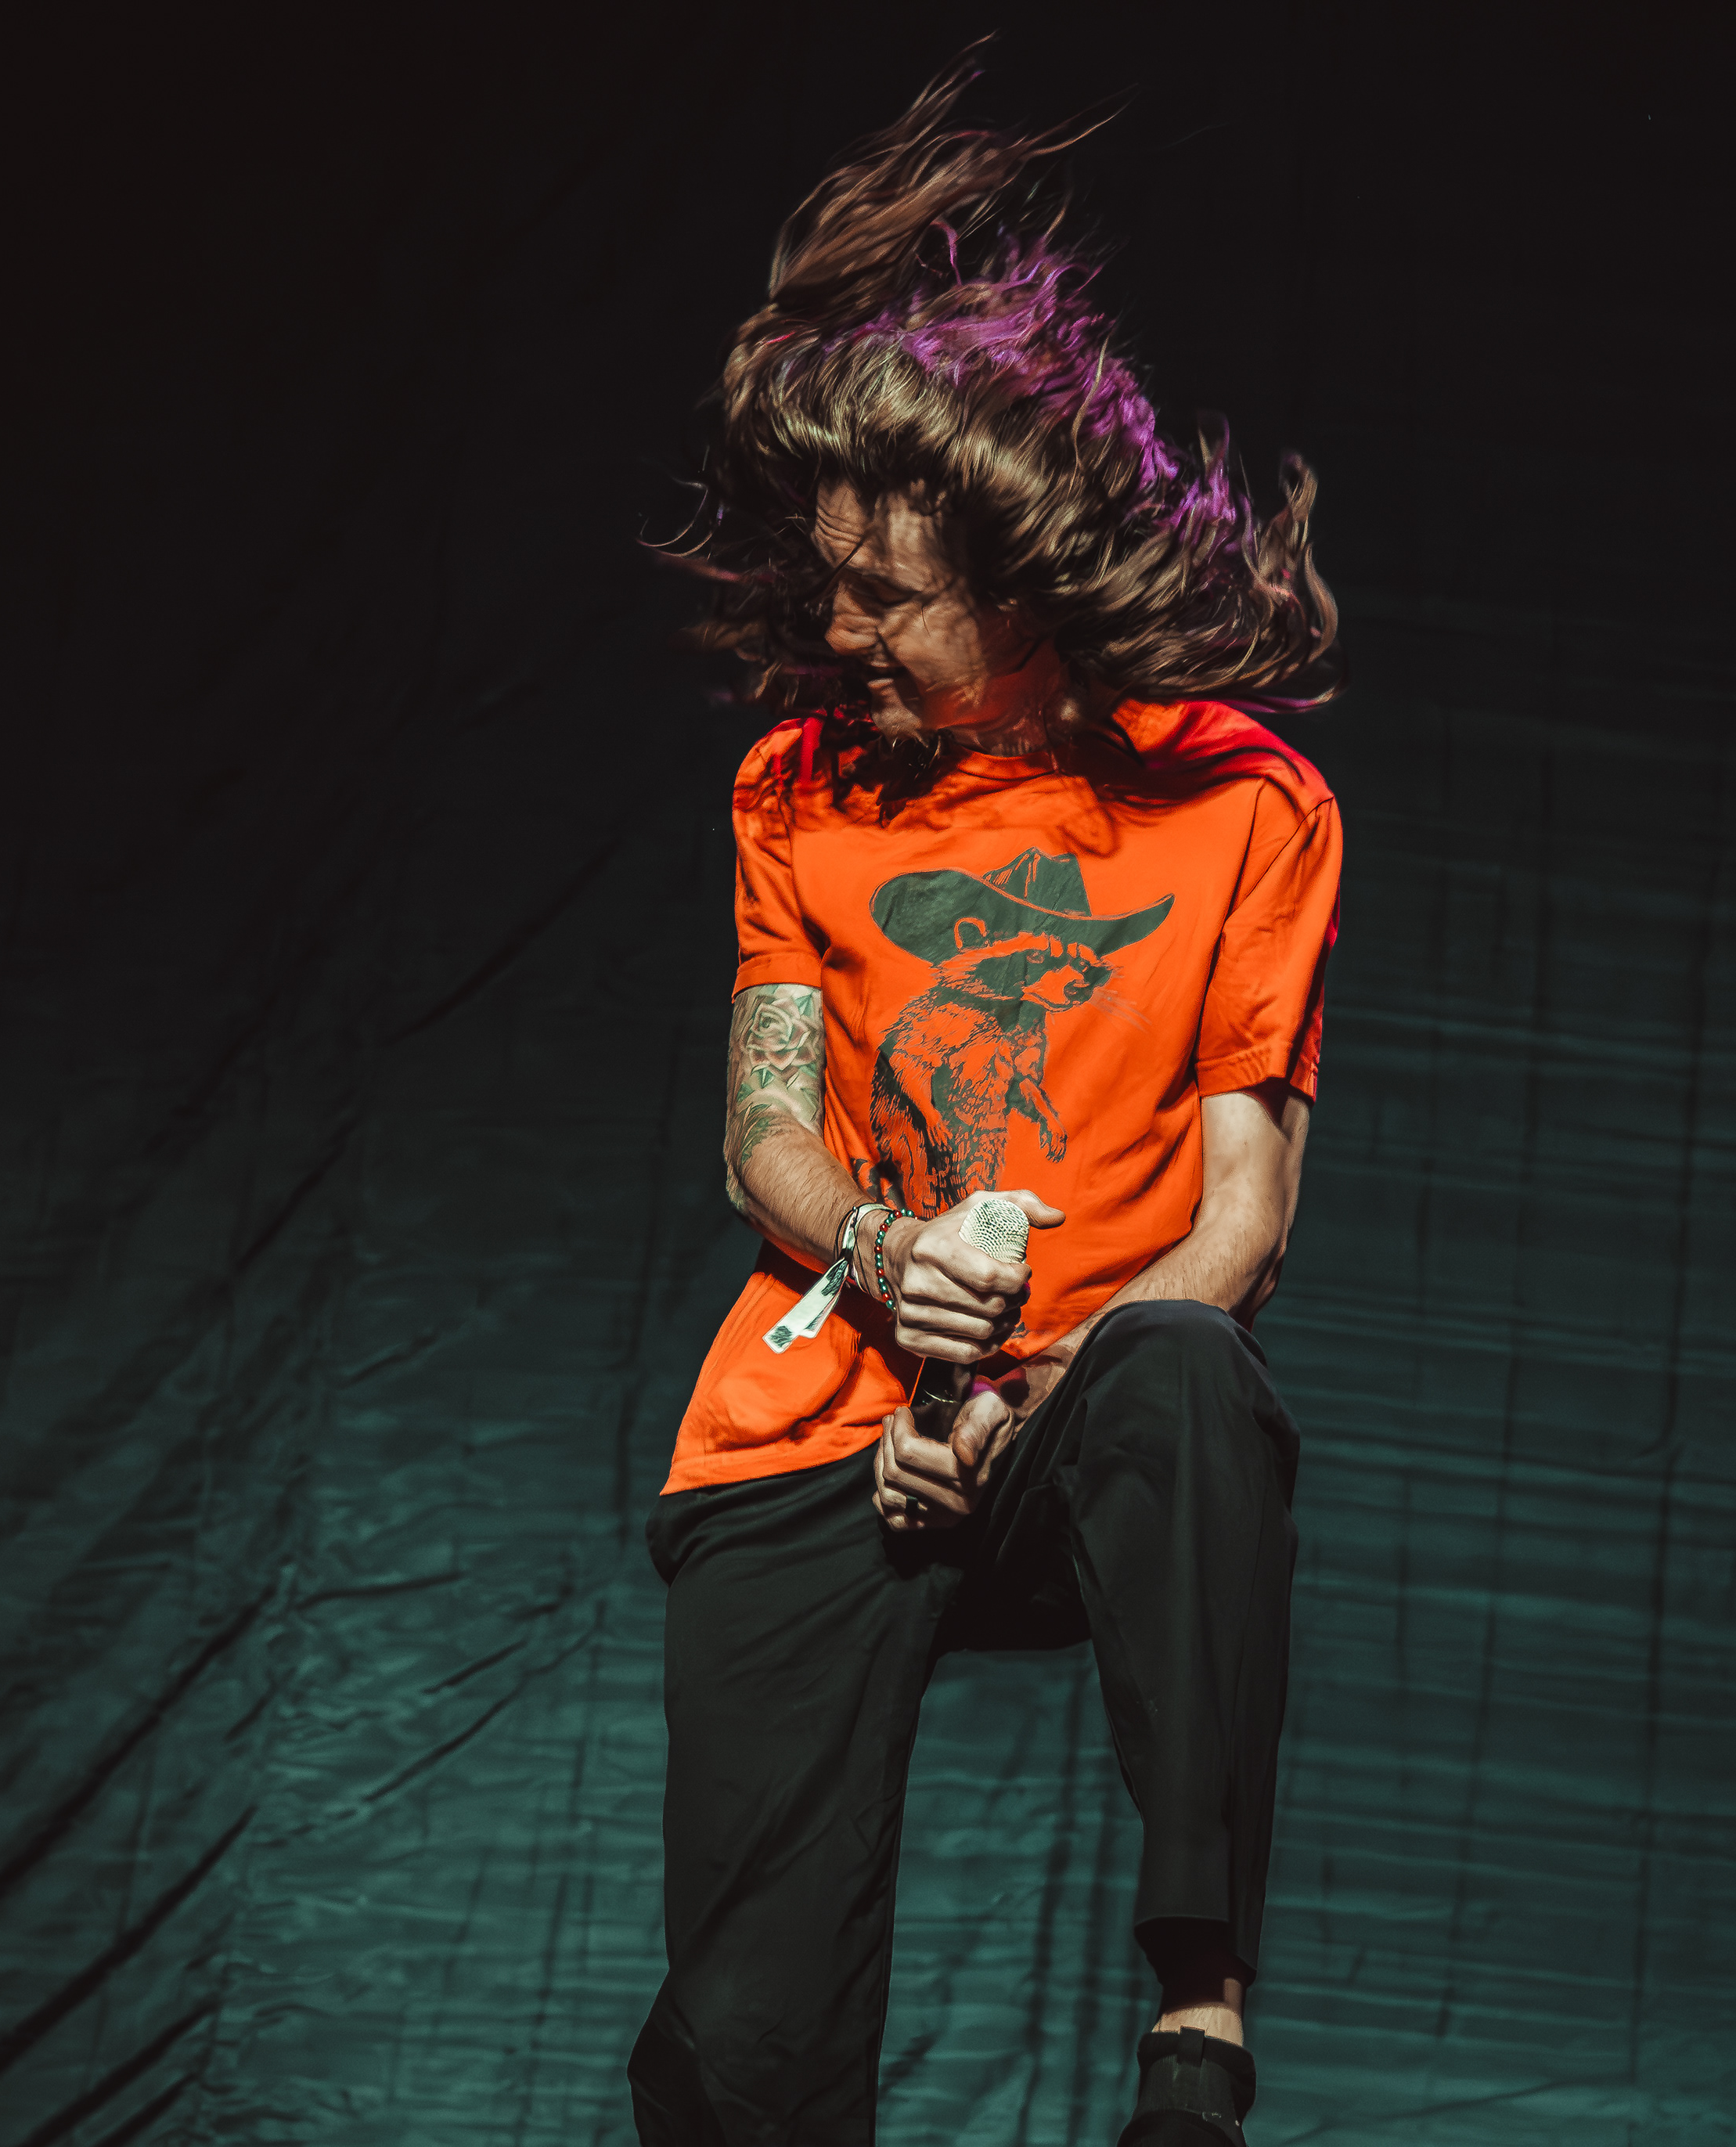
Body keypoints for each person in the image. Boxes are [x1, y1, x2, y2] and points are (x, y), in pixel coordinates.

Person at [629, 57, 1344, 2147]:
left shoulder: (1246, 804)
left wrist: (1009, 1405)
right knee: (738, 2065)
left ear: (1019, 576)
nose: (836, 624)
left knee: (1188, 1380)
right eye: (826, 580)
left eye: (884, 592)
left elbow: (1243, 1220)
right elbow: (763, 1133)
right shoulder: (797, 785)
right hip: (808, 1425)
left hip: (1067, 1426)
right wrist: (884, 1257)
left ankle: (1198, 2014)